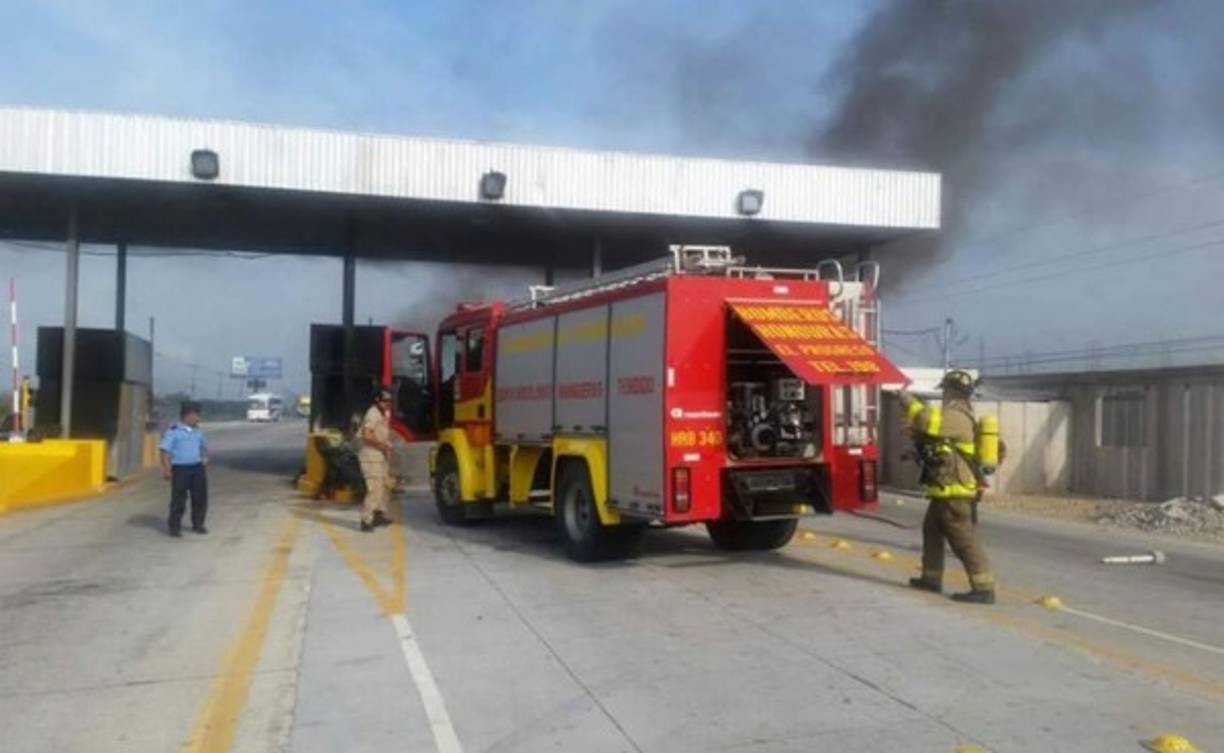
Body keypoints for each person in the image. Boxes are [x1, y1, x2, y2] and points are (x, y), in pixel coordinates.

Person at [900, 370, 996, 604]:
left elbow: (928, 422)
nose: (943, 394)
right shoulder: (955, 414)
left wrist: (908, 401)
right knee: (931, 530)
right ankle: (931, 578)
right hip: (944, 489)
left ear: (953, 391)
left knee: (962, 538)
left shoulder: (956, 415)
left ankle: (983, 588)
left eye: (945, 389)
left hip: (956, 490)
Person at [160, 401, 209, 538]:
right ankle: (174, 528)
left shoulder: (198, 431)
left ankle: (198, 524)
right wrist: (167, 469)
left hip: (197, 467)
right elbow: (165, 451)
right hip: (180, 469)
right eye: (196, 415)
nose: (198, 418)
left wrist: (205, 457)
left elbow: (204, 447)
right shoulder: (174, 431)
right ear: (188, 415)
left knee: (200, 498)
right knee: (178, 499)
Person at [358, 387, 396, 532]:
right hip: (371, 455)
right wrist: (382, 444)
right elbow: (366, 435)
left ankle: (379, 515)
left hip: (380, 455)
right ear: (377, 400)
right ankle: (366, 519)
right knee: (374, 489)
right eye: (384, 400)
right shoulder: (372, 414)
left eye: (389, 401)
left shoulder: (383, 413)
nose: (387, 403)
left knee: (385, 486)